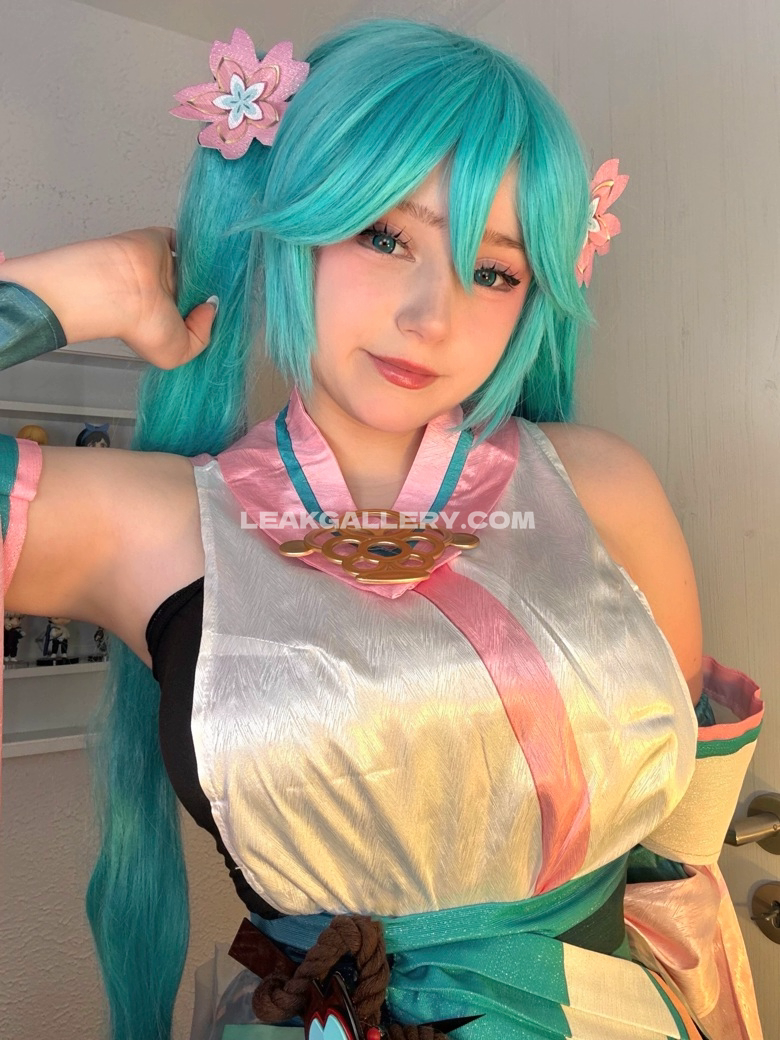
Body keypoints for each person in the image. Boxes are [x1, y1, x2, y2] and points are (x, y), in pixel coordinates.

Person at [0, 17, 765, 1040]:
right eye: (384, 236)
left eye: (493, 271)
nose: (431, 315)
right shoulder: (150, 521)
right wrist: (73, 289)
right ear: (292, 222)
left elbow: (680, 862)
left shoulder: (605, 487)